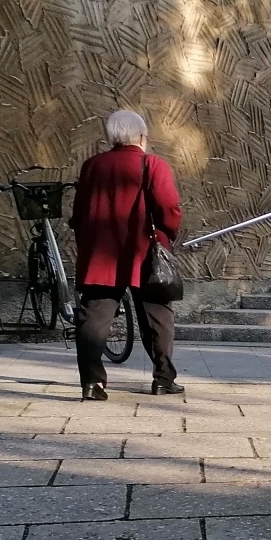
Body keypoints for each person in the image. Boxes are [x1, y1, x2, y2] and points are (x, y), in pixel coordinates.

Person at [68, 110, 185, 400]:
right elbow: (169, 207)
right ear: (142, 137)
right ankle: (163, 379)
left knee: (94, 317)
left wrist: (86, 242)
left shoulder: (92, 165)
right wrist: (167, 234)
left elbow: (79, 212)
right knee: (158, 317)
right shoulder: (152, 164)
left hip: (101, 254)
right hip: (144, 253)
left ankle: (92, 383)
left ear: (112, 137)